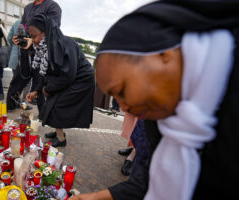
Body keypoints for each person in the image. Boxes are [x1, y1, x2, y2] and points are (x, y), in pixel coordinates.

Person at [70, 0, 239, 199]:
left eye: (122, 90)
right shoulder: (159, 116)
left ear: (163, 54)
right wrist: (94, 197)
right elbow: (151, 179)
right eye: (115, 98)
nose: (125, 108)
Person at [24, 14, 95, 147]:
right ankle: (58, 131)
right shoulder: (43, 48)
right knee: (52, 101)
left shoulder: (63, 44)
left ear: (44, 33)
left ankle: (61, 139)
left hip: (81, 80)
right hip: (68, 78)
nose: (32, 40)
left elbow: (68, 76)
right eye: (31, 36)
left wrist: (47, 89)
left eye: (34, 36)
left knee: (56, 105)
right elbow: (43, 73)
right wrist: (36, 91)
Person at [8, 0, 62, 110]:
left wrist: (32, 41)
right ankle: (11, 106)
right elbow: (23, 26)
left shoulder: (53, 7)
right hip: (25, 53)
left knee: (40, 84)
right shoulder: (28, 8)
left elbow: (53, 30)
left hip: (42, 54)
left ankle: (44, 115)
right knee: (17, 80)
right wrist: (19, 38)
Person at [6, 19, 32, 111]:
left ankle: (14, 103)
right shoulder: (33, 23)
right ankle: (22, 103)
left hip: (15, 57)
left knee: (15, 82)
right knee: (27, 82)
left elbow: (9, 39)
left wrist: (15, 41)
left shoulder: (17, 22)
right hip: (26, 57)